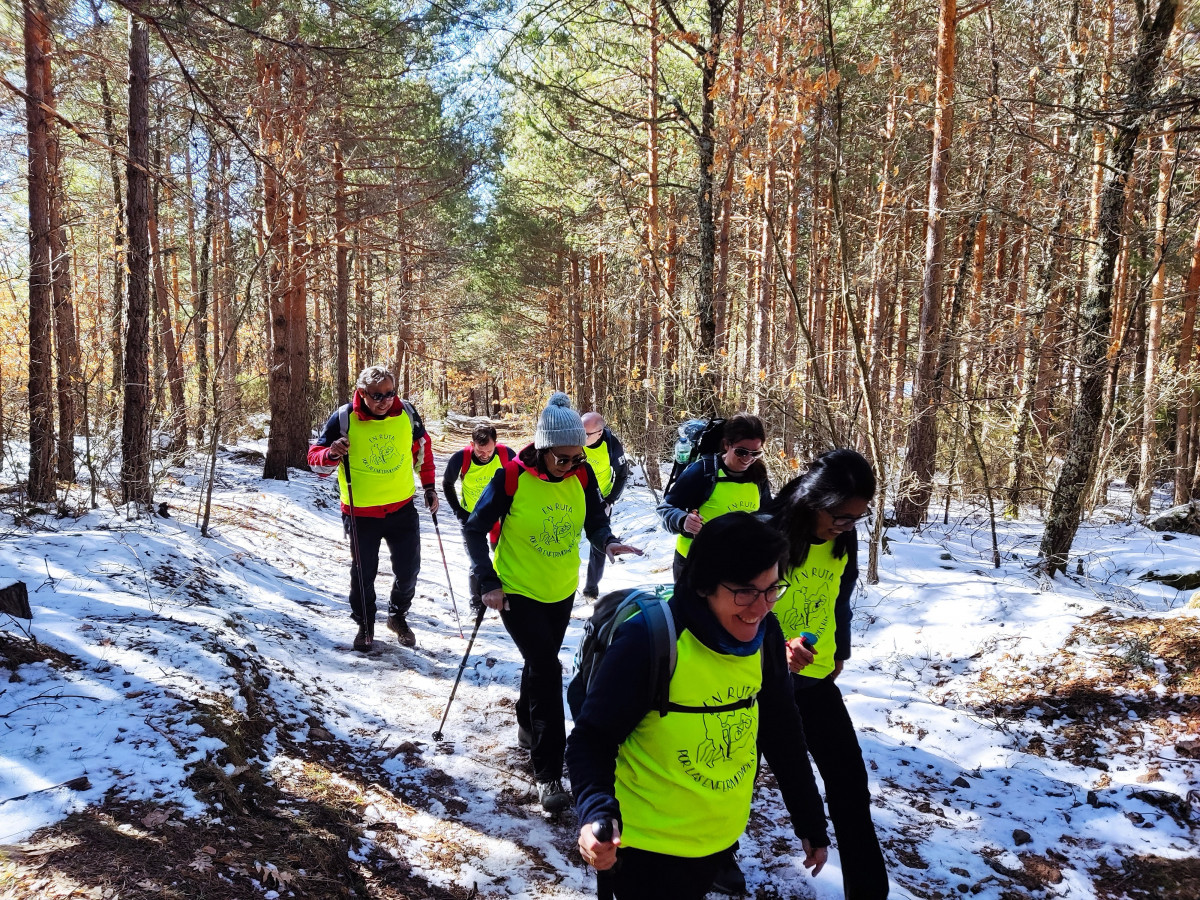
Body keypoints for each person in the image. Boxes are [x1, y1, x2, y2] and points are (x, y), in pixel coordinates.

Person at [567, 512, 830, 899]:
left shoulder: (766, 635)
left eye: (773, 590)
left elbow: (781, 727)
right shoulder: (650, 640)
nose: (760, 608)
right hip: (643, 844)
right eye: (744, 592)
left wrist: (809, 820)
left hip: (718, 836)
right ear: (706, 585)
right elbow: (591, 740)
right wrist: (596, 812)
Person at [464, 392, 643, 813]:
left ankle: (528, 730)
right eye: (563, 458)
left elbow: (596, 520)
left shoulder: (581, 476)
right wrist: (487, 580)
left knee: (538, 662)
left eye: (578, 457)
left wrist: (609, 542)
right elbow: (475, 529)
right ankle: (548, 775)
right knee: (547, 668)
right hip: (517, 590)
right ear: (543, 450)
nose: (572, 465)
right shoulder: (511, 477)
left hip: (561, 590)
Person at [761, 447, 889, 899]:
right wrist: (776, 648)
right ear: (815, 501)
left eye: (857, 517)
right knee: (735, 784)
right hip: (757, 685)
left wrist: (841, 650)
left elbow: (841, 596)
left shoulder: (844, 538)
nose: (847, 526)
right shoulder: (765, 534)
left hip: (815, 681)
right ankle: (712, 862)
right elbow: (723, 614)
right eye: (840, 517)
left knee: (850, 786)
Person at [309, 365, 438, 652]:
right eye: (377, 395)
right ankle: (365, 625)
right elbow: (314, 460)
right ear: (362, 393)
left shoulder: (406, 413)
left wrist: (429, 486)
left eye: (390, 393)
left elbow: (422, 449)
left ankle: (397, 616)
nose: (384, 400)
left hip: (402, 508)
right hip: (360, 513)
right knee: (363, 573)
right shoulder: (344, 418)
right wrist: (331, 453)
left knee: (408, 570)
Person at [657, 413, 771, 582]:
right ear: (726, 444)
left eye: (755, 453)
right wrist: (683, 521)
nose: (748, 459)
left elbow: (769, 514)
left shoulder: (758, 475)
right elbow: (665, 508)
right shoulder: (702, 471)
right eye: (741, 451)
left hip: (738, 565)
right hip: (695, 564)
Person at [442, 424, 515, 612]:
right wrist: (458, 511)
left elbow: (520, 480)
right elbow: (447, 483)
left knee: (503, 557)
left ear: (496, 444)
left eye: (489, 451)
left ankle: (505, 595)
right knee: (477, 561)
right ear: (472, 444)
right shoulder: (461, 458)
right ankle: (476, 603)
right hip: (472, 518)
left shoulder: (506, 455)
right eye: (480, 451)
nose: (485, 455)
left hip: (498, 518)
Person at [581, 411, 630, 600]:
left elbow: (623, 474)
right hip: (574, 495)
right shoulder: (574, 440)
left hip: (600, 499)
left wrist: (610, 500)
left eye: (586, 434)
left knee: (600, 542)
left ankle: (591, 589)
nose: (581, 436)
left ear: (599, 433)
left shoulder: (611, 444)